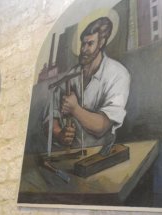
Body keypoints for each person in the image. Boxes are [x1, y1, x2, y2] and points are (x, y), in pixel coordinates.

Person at [51, 17, 130, 149]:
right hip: (71, 154)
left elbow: (102, 126)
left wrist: (75, 109)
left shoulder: (118, 74)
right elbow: (51, 116)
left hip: (101, 155)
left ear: (101, 43)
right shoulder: (71, 75)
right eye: (83, 44)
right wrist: (60, 134)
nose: (83, 49)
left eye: (90, 44)